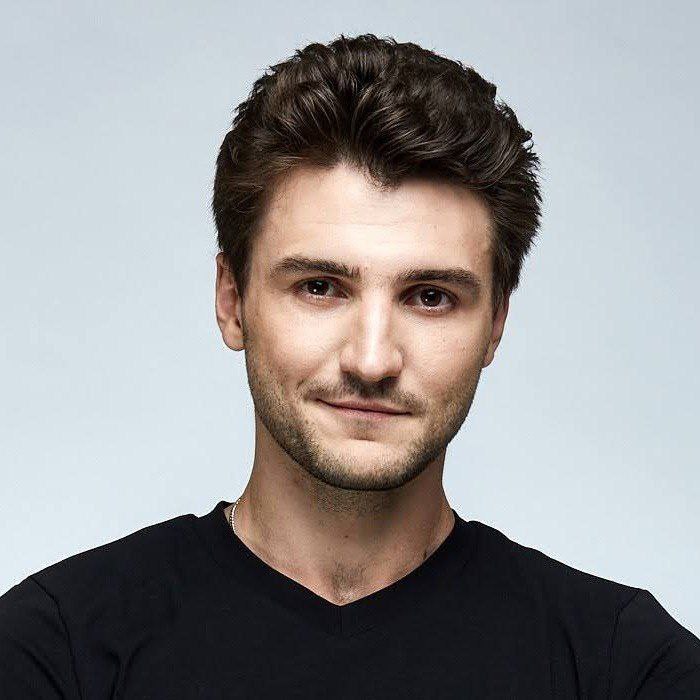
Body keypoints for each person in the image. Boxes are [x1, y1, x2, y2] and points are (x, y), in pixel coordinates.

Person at [1, 33, 698, 699]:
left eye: (430, 296)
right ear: (232, 300)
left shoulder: (623, 669)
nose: (372, 359)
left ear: (496, 324)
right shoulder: (54, 652)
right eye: (320, 287)